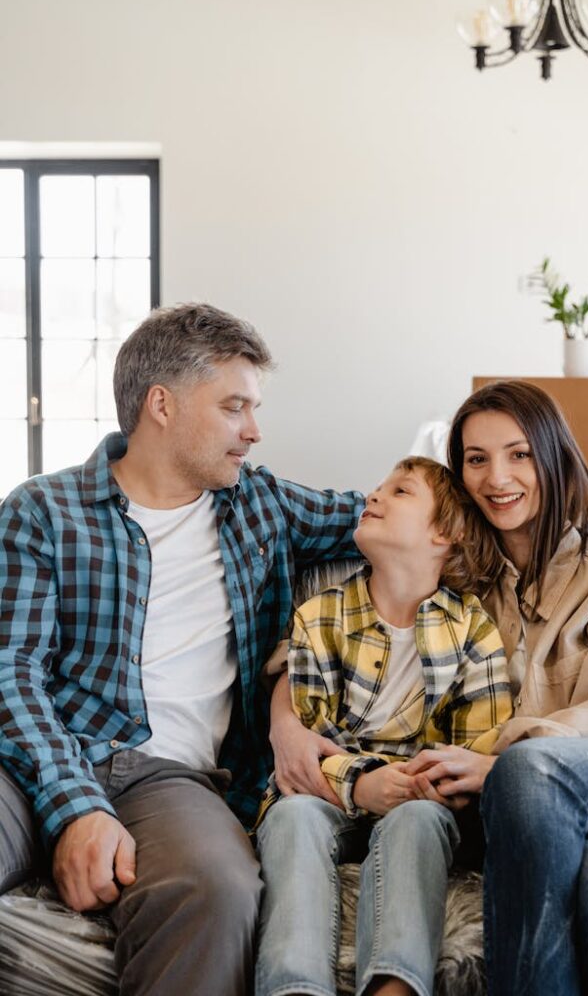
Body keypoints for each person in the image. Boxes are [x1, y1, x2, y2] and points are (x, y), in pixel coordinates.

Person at [0, 303, 366, 996]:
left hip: (172, 781)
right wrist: (77, 807)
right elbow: (11, 674)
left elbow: (392, 518)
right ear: (160, 405)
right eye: (234, 408)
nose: (254, 432)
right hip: (29, 764)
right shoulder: (43, 511)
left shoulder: (262, 506)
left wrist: (517, 490)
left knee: (218, 887)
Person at [403, 379, 588, 996]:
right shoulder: (461, 590)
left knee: (531, 771)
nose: (497, 477)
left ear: (553, 457)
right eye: (476, 459)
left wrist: (497, 761)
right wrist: (287, 693)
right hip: (545, 825)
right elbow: (362, 614)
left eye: (519, 453)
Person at [255, 456, 512, 996]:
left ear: (444, 534)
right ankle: (293, 987)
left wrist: (424, 783)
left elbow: (478, 748)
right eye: (378, 487)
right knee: (292, 817)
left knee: (418, 820)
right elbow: (305, 737)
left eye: (400, 491)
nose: (373, 495)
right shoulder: (319, 615)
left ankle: (393, 986)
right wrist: (363, 783)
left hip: (419, 797)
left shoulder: (474, 631)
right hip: (327, 787)